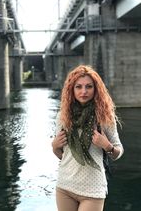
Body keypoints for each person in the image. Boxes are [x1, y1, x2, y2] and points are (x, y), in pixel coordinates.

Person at [52, 65, 124, 211]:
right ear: (71, 90)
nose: (83, 91)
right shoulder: (63, 116)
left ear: (95, 89)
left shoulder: (104, 117)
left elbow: (118, 152)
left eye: (88, 87)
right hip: (65, 186)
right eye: (78, 87)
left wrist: (107, 145)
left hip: (93, 189)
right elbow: (62, 156)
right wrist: (54, 146)